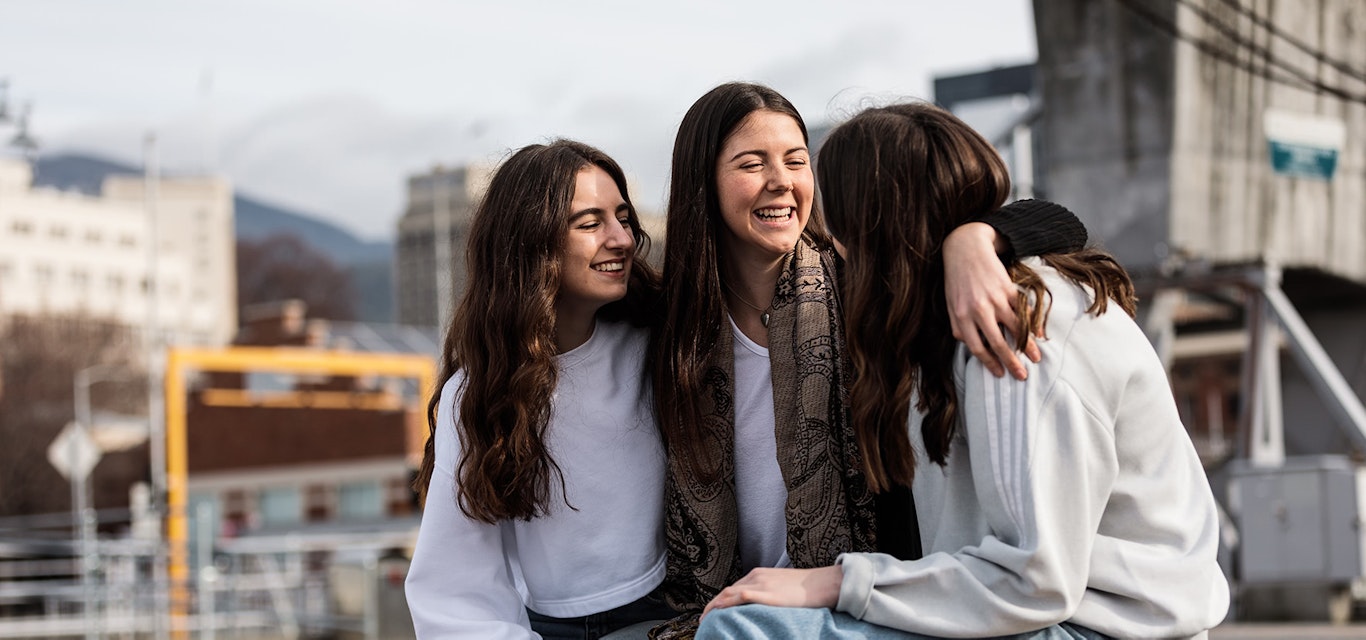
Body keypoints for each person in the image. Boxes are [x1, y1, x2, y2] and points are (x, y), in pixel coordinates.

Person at [694, 102, 1230, 639]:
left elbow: (1036, 580)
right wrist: (974, 239)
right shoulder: (924, 315)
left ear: (876, 224)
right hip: (1009, 606)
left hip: (1094, 624)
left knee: (743, 633)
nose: (833, 237)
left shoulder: (1010, 324)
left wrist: (836, 583)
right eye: (750, 164)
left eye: (842, 215)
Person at [648, 83, 1091, 636]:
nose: (781, 180)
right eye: (751, 163)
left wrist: (977, 240)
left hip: (868, 597)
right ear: (703, 183)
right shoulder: (665, 320)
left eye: (795, 160)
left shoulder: (863, 284)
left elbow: (1063, 224)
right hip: (722, 607)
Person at [405, 140, 674, 640]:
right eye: (590, 223)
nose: (621, 239)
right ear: (531, 242)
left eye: (622, 217)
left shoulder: (660, 346)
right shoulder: (479, 393)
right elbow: (453, 589)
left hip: (675, 612)